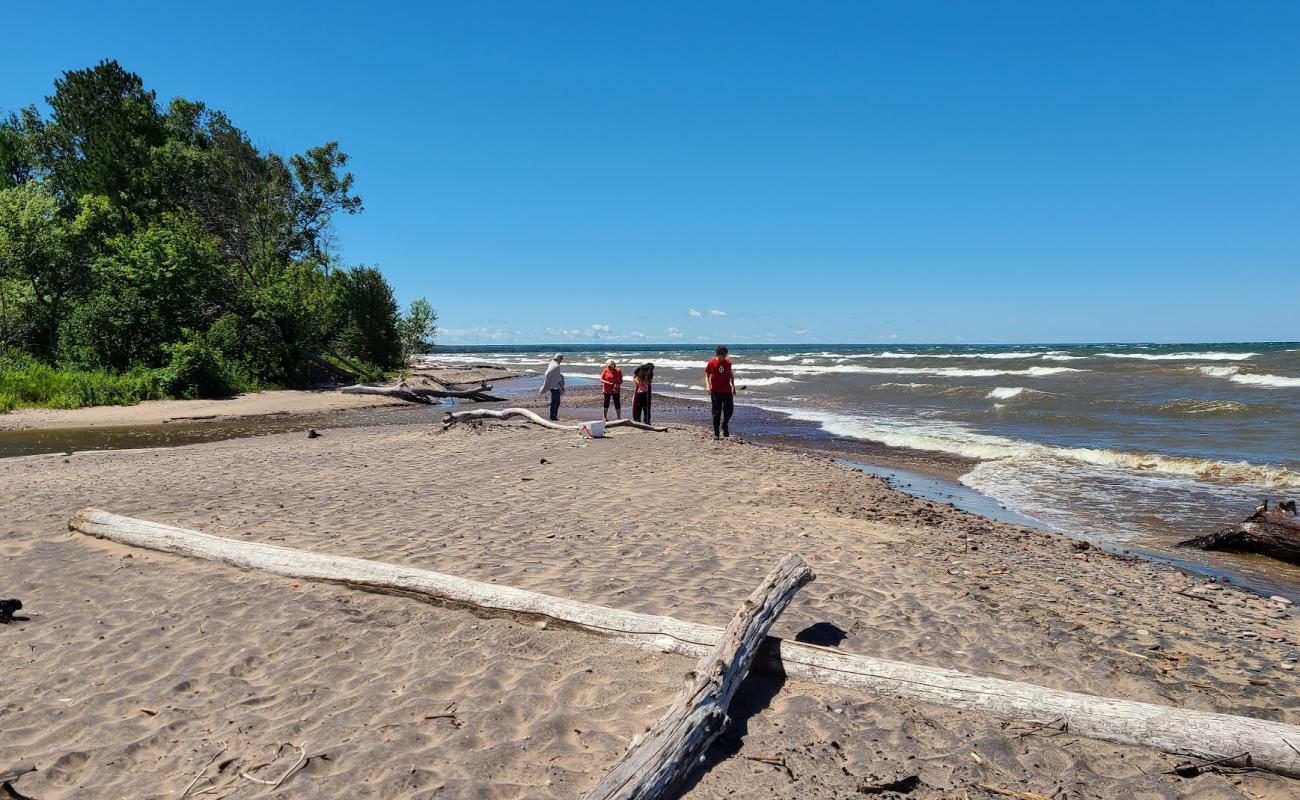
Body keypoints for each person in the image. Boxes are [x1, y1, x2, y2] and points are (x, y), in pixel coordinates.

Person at [703, 345, 736, 439]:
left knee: (729, 410)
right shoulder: (711, 363)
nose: (725, 357)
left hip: (727, 390)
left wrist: (733, 386)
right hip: (716, 390)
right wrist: (708, 386)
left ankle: (725, 424)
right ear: (718, 354)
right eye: (724, 355)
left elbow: (730, 374)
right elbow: (707, 375)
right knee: (716, 412)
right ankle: (716, 433)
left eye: (726, 355)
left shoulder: (728, 363)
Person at [540, 353, 565, 421]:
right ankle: (553, 416)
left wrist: (560, 378)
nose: (561, 360)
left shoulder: (552, 364)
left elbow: (555, 375)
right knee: (555, 401)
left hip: (554, 385)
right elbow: (549, 375)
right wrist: (560, 382)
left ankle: (553, 416)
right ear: (558, 358)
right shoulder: (555, 366)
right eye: (561, 358)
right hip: (554, 386)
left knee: (556, 401)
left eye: (562, 359)